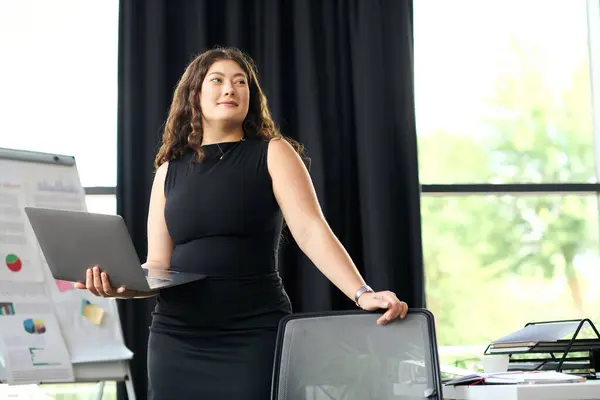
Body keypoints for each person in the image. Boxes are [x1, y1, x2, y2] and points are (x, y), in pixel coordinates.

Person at [75, 46, 408, 399]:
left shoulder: (274, 152)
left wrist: (361, 293)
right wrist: (123, 286)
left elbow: (311, 230)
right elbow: (158, 266)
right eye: (217, 80)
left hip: (253, 334)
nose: (230, 89)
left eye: (240, 82)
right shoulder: (168, 171)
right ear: (195, 95)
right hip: (177, 339)